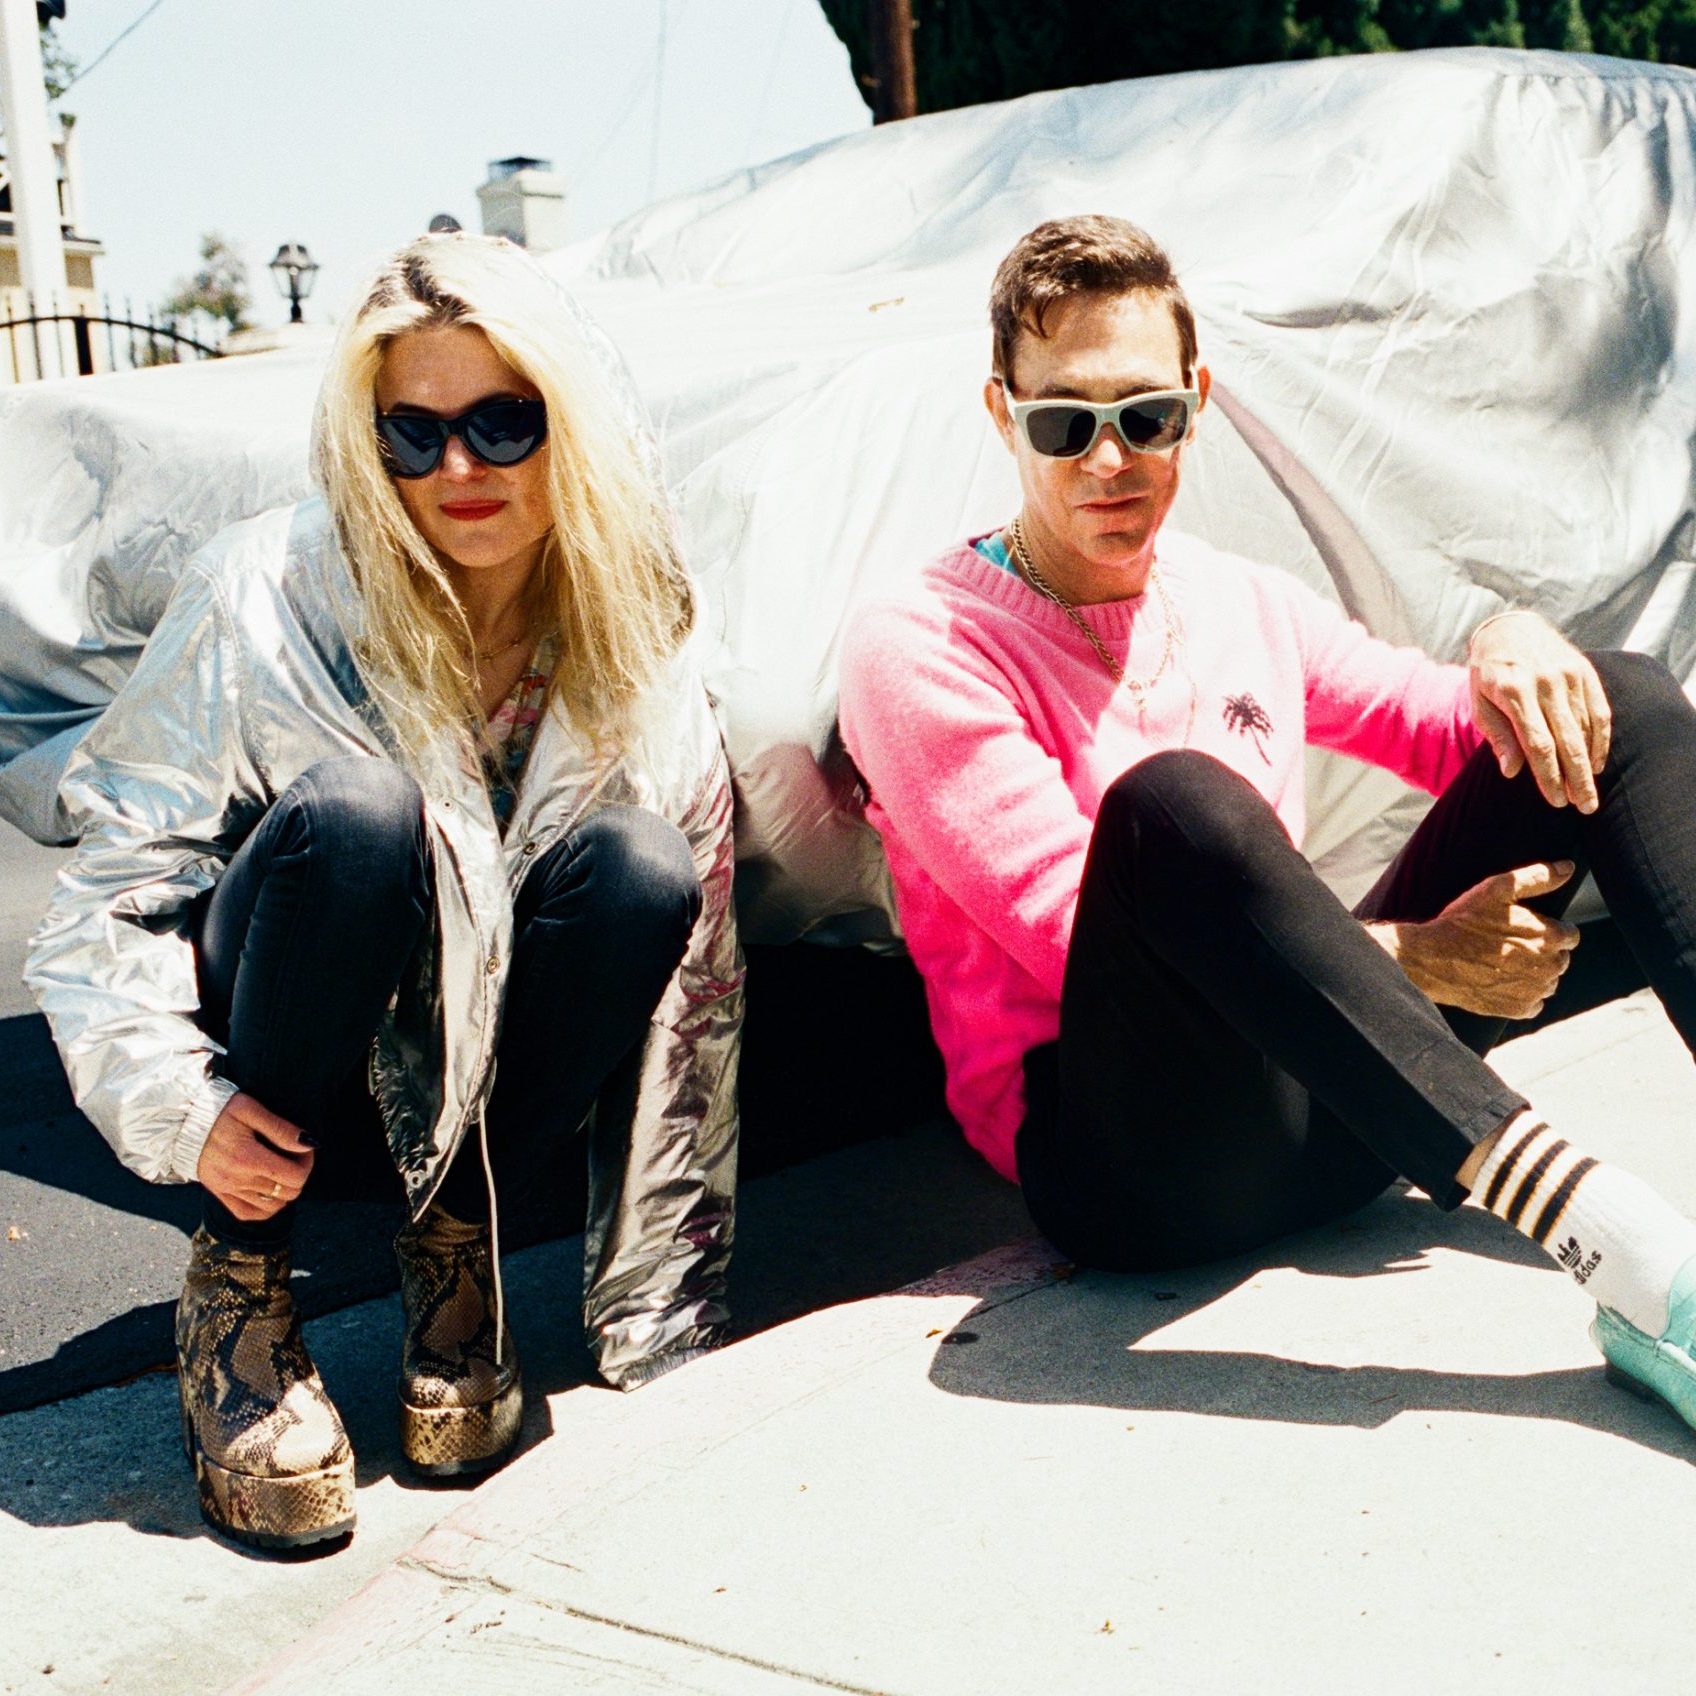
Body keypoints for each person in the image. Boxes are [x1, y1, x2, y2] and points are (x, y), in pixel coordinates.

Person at [838, 214, 1696, 1438]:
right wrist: (1411, 959)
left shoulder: (1237, 597)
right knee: (1173, 807)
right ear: (1001, 414)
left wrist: (1508, 641)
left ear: (1195, 404)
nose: (1108, 459)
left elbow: (1453, 727)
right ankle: (1634, 1260)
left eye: (1145, 415)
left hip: (1341, 1120)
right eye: (1063, 423)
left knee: (1612, 703)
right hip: (1137, 1169)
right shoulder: (920, 643)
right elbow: (1068, 929)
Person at [26, 233, 743, 1551]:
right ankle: (239, 1284)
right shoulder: (269, 588)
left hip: (478, 1112)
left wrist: (657, 1316)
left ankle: (456, 1253)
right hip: (285, 1084)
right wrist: (187, 1109)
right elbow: (113, 889)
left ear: (569, 421)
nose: (457, 469)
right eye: (411, 435)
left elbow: (696, 979)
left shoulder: (632, 604)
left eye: (501, 423)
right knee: (362, 814)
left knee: (650, 865)